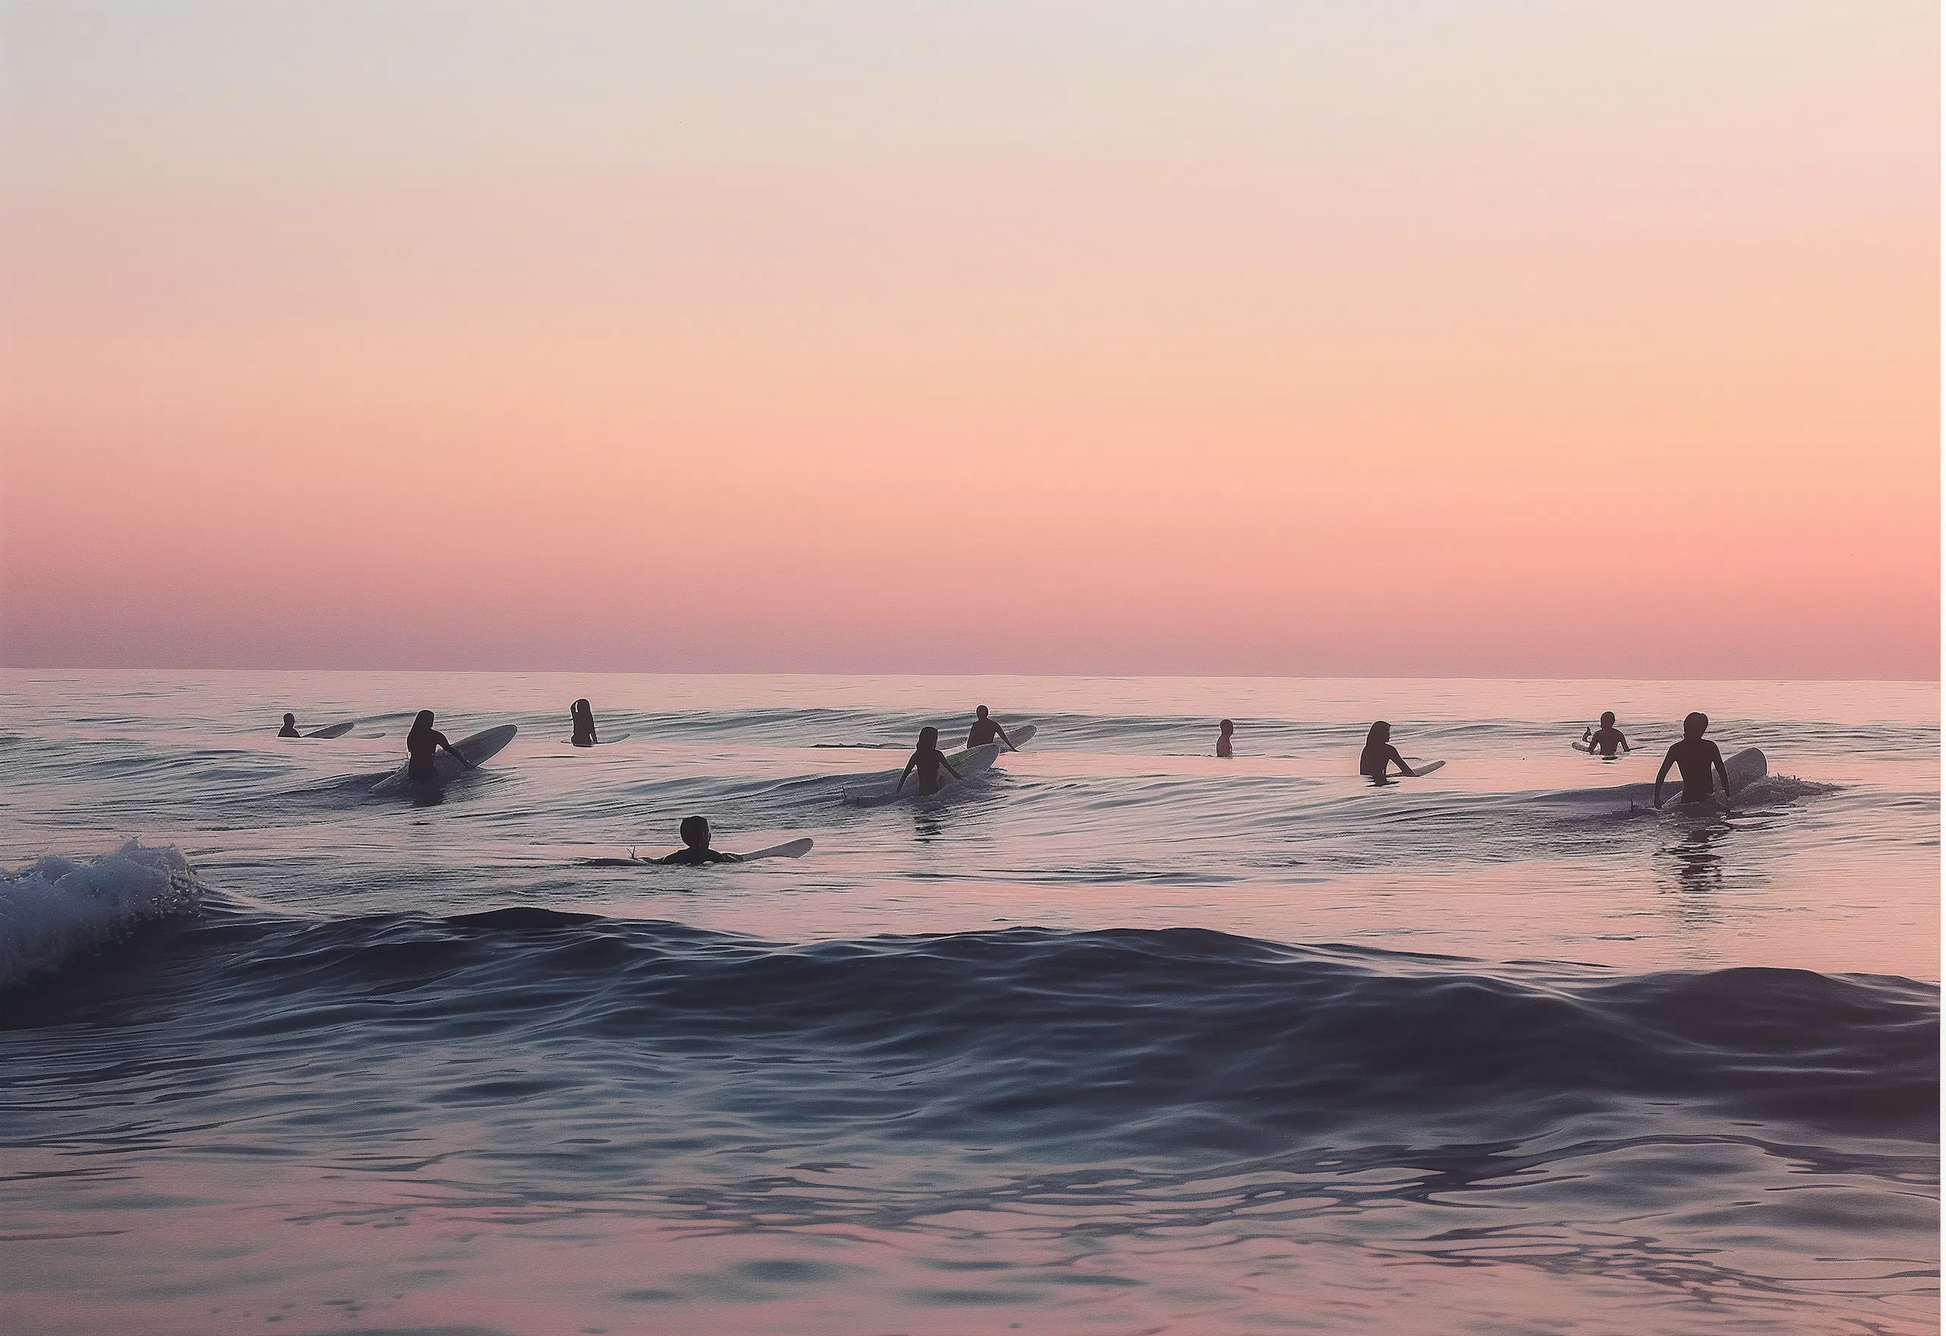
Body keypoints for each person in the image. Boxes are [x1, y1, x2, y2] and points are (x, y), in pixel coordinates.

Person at [1653, 711, 1729, 807]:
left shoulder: (1676, 749)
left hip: (1688, 798)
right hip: (1707, 798)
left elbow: (1662, 774)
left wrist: (1656, 797)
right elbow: (1722, 772)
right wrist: (1728, 795)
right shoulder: (1710, 746)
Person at [405, 710, 473, 785]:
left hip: (413, 768)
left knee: (417, 791)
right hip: (427, 767)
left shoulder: (411, 736)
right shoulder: (435, 735)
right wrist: (464, 762)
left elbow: (413, 751)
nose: (432, 722)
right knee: (436, 794)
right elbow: (450, 750)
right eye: (430, 720)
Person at [897, 726, 964, 797]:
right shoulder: (937, 754)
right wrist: (966, 781)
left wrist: (898, 790)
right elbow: (952, 772)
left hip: (921, 793)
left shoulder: (916, 756)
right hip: (935, 792)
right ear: (933, 740)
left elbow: (904, 775)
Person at [657, 816, 741, 865]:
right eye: (708, 831)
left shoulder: (670, 859)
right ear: (705, 835)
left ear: (683, 838)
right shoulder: (715, 856)